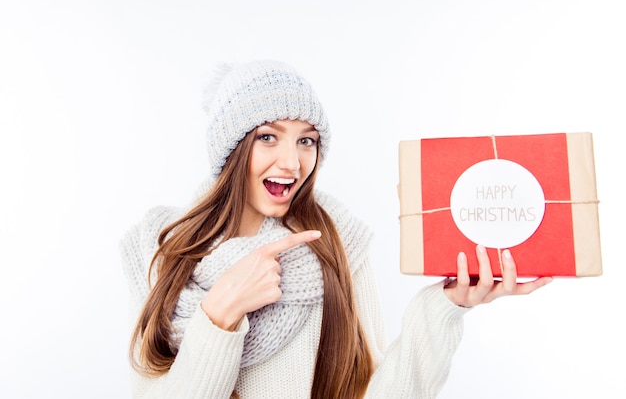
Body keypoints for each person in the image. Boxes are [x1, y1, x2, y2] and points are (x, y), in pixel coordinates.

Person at [120, 60, 552, 399]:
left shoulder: (337, 240)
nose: (292, 162)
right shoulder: (160, 248)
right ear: (230, 148)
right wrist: (221, 311)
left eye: (306, 140)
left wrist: (444, 307)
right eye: (268, 137)